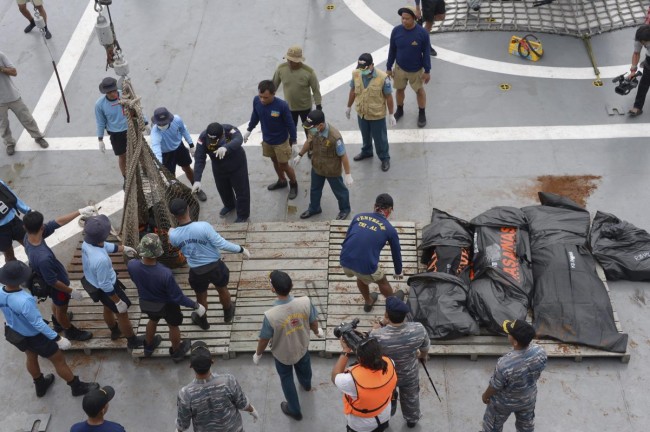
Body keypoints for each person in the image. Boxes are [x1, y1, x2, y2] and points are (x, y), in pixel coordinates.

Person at [0, 260, 99, 397]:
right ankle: (76, 386)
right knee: (58, 359)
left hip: (17, 333)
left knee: (30, 356)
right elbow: (38, 323)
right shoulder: (24, 300)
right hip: (36, 336)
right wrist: (57, 338)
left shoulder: (1, 292)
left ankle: (40, 385)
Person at [168, 198, 250, 329]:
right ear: (188, 208)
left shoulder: (173, 235)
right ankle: (228, 312)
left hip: (197, 271)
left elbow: (174, 244)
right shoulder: (204, 226)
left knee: (201, 297)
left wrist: (171, 232)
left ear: (173, 215)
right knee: (222, 289)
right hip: (215, 267)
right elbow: (221, 244)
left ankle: (203, 321)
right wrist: (240, 249)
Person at [253, 270, 324, 421]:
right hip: (302, 346)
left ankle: (294, 409)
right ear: (292, 285)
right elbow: (313, 322)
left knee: (286, 379)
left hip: (282, 355)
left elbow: (264, 339)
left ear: (273, 289)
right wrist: (317, 331)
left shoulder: (270, 315)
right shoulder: (305, 302)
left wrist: (258, 354)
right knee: (305, 367)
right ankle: (306, 385)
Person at [127, 233, 205, 361]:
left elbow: (135, 274)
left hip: (147, 303)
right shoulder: (164, 273)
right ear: (158, 252)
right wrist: (195, 305)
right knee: (173, 326)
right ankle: (176, 351)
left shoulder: (132, 265)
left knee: (152, 321)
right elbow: (178, 297)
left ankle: (148, 346)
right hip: (167, 306)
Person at [23, 208, 96, 342]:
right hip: (57, 286)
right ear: (40, 228)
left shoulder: (27, 237)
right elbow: (52, 282)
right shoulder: (43, 257)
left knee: (56, 304)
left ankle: (57, 321)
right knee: (62, 308)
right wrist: (71, 291)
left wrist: (79, 211)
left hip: (45, 277)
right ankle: (70, 331)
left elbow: (57, 222)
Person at [81, 215, 144, 349]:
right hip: (107, 288)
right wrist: (118, 301)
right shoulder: (100, 260)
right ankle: (132, 340)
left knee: (107, 307)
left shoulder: (88, 241)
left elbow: (104, 246)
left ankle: (114, 330)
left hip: (92, 282)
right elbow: (105, 284)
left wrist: (122, 248)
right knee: (122, 313)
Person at [370, 296, 430, 428]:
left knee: (387, 398)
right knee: (411, 398)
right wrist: (422, 356)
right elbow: (425, 349)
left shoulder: (377, 336)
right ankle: (411, 420)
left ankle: (387, 417)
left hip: (387, 376)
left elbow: (372, 353)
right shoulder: (418, 329)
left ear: (387, 314)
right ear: (405, 315)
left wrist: (379, 326)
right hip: (410, 374)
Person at [176, 341, 259, 432]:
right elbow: (242, 403)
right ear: (212, 361)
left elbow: (183, 424)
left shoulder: (185, 394)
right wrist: (252, 410)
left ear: (190, 366)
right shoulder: (228, 381)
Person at [339, 193, 403, 312]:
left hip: (345, 260)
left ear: (374, 206)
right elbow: (396, 254)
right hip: (365, 265)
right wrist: (398, 272)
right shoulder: (390, 229)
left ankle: (368, 302)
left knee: (360, 275)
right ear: (390, 210)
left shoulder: (358, 217)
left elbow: (347, 237)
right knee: (382, 280)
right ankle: (393, 304)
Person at [481, 319, 547, 432]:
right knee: (526, 427)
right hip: (528, 399)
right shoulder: (540, 351)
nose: (508, 334)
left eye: (509, 333)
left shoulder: (505, 364)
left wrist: (485, 395)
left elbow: (495, 386)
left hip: (503, 403)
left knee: (492, 426)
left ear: (515, 342)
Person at [293, 109, 353, 220]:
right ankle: (314, 208)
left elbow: (343, 155)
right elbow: (308, 142)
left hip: (332, 170)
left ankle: (345, 209)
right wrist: (300, 155)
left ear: (320, 125)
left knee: (340, 191)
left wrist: (348, 174)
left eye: (311, 127)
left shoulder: (334, 137)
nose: (309, 130)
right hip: (317, 167)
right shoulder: (313, 131)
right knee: (315, 189)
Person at [244, 80, 299, 200]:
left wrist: (294, 142)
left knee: (284, 165)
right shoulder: (256, 101)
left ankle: (294, 184)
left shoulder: (282, 106)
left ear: (273, 94)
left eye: (266, 97)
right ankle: (282, 180)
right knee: (274, 161)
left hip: (281, 142)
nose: (262, 100)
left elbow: (290, 124)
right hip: (267, 140)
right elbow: (255, 115)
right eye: (261, 96)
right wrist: (249, 130)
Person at [331, 337, 398, 432]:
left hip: (362, 425)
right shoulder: (391, 363)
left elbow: (335, 377)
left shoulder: (351, 380)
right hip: (384, 413)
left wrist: (346, 350)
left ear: (360, 359)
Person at [345, 53, 396, 172]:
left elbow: (388, 97)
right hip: (362, 112)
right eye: (360, 68)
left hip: (376, 114)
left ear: (372, 65)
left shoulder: (383, 77)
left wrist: (391, 114)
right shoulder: (356, 74)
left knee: (380, 138)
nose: (362, 70)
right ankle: (367, 151)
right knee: (365, 135)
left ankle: (384, 158)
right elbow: (353, 90)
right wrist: (348, 106)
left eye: (365, 68)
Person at [193, 122, 250, 222]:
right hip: (219, 166)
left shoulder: (229, 130)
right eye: (211, 139)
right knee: (223, 189)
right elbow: (199, 159)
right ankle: (230, 205)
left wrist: (226, 147)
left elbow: (238, 139)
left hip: (237, 164)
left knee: (241, 191)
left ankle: (243, 215)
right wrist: (197, 180)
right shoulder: (203, 138)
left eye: (215, 140)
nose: (213, 142)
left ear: (222, 134)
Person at [387, 6, 432, 128]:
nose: (404, 21)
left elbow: (426, 53)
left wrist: (427, 71)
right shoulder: (396, 31)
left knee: (419, 91)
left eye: (407, 19)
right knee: (399, 90)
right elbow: (392, 49)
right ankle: (400, 110)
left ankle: (422, 112)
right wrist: (388, 67)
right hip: (399, 68)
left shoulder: (422, 34)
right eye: (402, 18)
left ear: (414, 18)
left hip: (416, 70)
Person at [150, 107, 206, 202]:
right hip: (166, 155)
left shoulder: (177, 119)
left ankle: (196, 188)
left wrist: (191, 145)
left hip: (179, 148)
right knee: (171, 178)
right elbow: (156, 150)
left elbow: (183, 130)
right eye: (160, 123)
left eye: (164, 122)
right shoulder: (155, 133)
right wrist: (159, 166)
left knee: (187, 168)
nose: (162, 125)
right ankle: (177, 197)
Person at [0, 51, 49, 155]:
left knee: (27, 119)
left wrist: (1, 68)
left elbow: (14, 72)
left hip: (13, 96)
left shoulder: (1, 55)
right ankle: (9, 143)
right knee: (3, 125)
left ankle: (38, 137)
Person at [272, 45, 323, 134]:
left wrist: (318, 106)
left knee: (309, 132)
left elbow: (316, 90)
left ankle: (310, 146)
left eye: (292, 61)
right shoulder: (281, 69)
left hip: (305, 108)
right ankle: (291, 146)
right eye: (288, 59)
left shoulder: (309, 72)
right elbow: (273, 86)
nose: (289, 62)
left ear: (299, 60)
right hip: (289, 107)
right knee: (290, 131)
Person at [95, 77, 129, 180]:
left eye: (114, 90)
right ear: (105, 92)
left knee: (139, 153)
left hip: (129, 129)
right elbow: (101, 122)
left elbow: (135, 107)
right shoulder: (100, 105)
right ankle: (125, 178)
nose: (113, 93)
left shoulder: (125, 96)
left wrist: (144, 122)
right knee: (122, 156)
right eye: (109, 92)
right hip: (116, 134)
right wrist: (100, 139)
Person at [0, 178, 30, 261]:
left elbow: (12, 196)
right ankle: (14, 272)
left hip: (14, 221)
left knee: (31, 245)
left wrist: (27, 210)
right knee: (9, 257)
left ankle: (37, 268)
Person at [627, 25, 650, 117]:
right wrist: (633, 70)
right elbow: (636, 53)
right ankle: (637, 107)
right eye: (642, 42)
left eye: (645, 42)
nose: (642, 43)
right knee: (644, 84)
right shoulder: (640, 38)